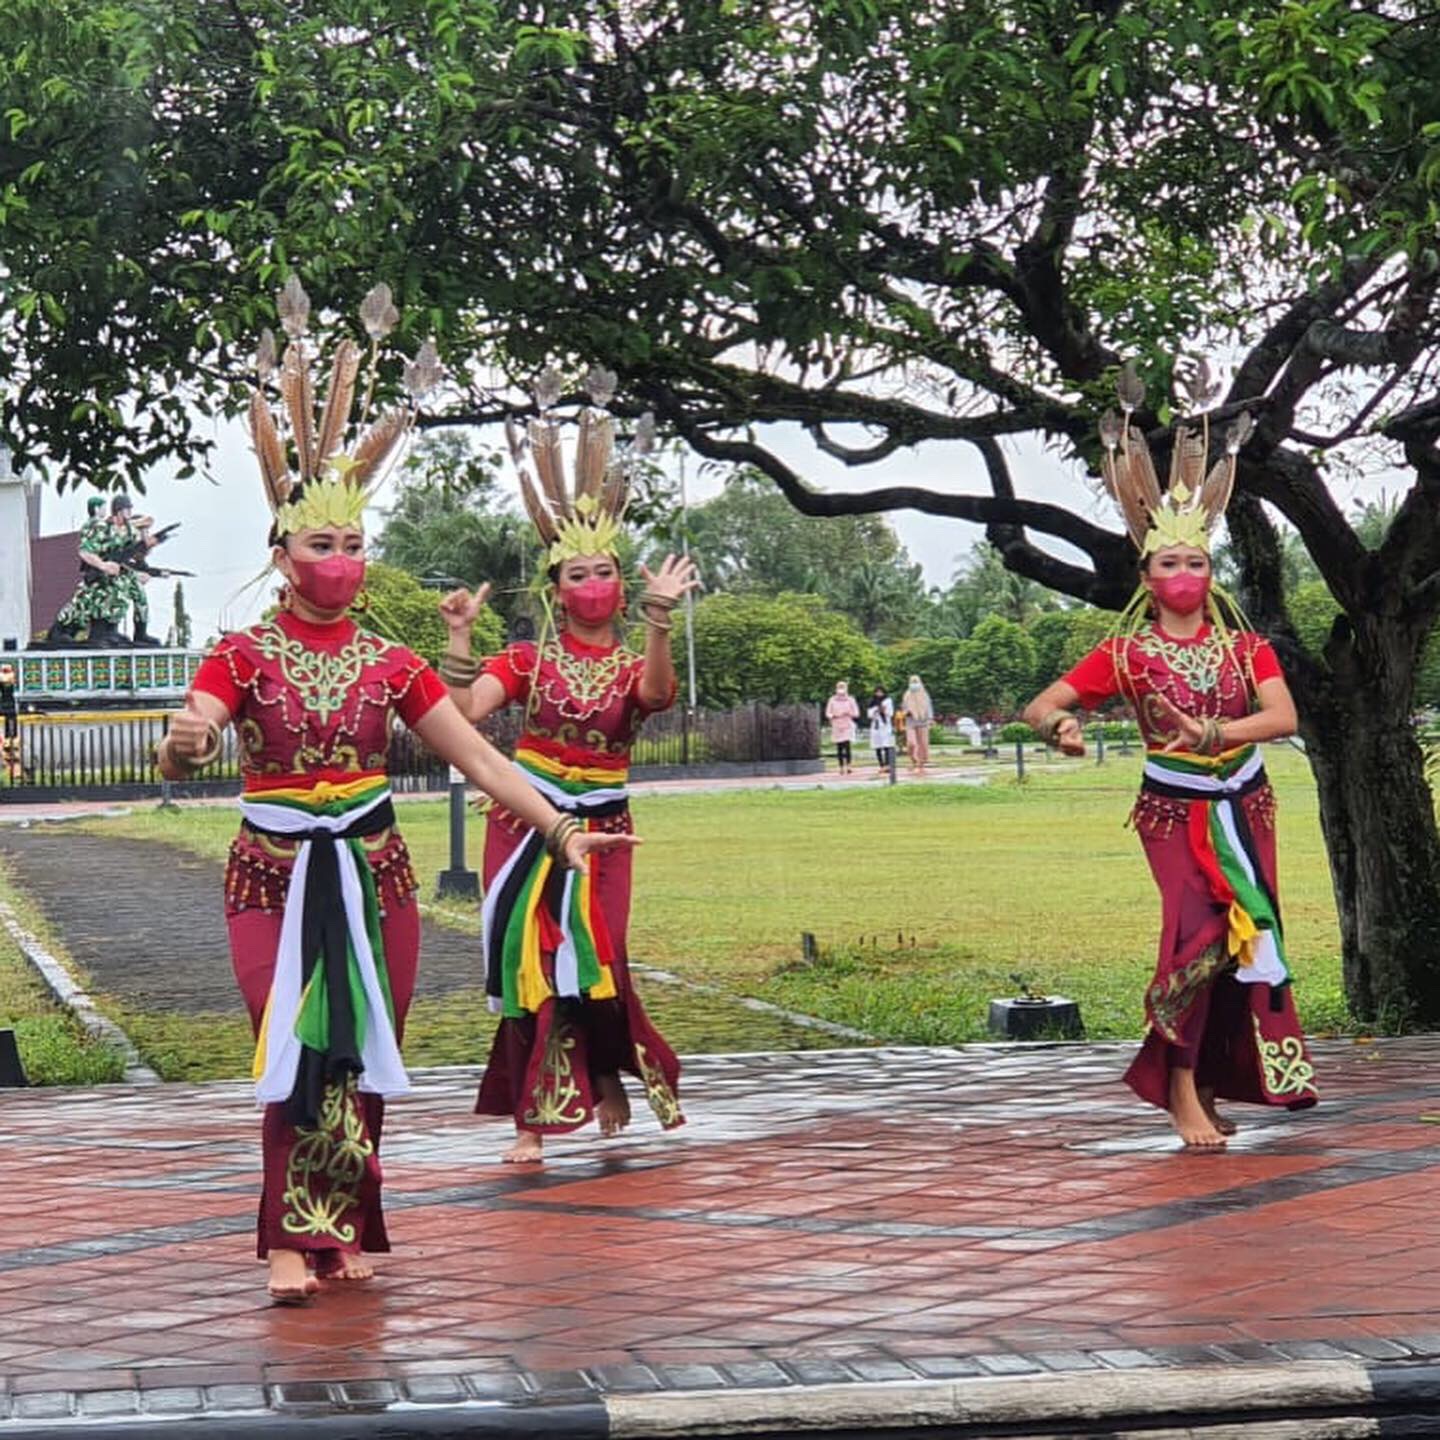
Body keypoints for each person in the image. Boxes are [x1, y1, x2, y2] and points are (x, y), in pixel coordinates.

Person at [157, 284, 635, 1306]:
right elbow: (190, 734)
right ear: (282, 553)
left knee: (364, 1054)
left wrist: (557, 829)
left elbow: (481, 758)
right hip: (271, 878)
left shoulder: (389, 660)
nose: (341, 561)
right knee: (294, 1043)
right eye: (321, 545)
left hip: (377, 878)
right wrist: (184, 741)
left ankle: (340, 1228)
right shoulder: (243, 654)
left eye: (354, 545)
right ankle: (293, 1240)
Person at [1023, 380, 1316, 1151]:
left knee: (1245, 940)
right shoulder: (1124, 652)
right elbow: (1044, 704)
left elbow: (1282, 717)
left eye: (1196, 559)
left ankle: (1216, 1081)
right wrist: (1061, 731)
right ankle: (1179, 1088)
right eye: (1170, 561)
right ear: (1146, 574)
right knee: (1194, 938)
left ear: (1209, 571)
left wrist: (1216, 728)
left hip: (1246, 805)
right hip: (1173, 812)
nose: (1184, 572)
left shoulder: (1242, 647)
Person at [439, 373, 699, 1164]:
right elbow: (463, 715)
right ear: (555, 589)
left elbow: (656, 695)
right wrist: (456, 636)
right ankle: (532, 1121)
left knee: (598, 961)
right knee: (528, 963)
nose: (593, 584)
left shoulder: (628, 663)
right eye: (576, 574)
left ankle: (610, 1075)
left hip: (606, 830)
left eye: (605, 572)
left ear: (622, 585)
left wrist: (659, 618)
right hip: (524, 827)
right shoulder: (525, 658)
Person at [46, 496, 128, 647]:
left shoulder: (104, 526)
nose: (106, 510)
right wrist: (103, 565)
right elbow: (85, 551)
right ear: (96, 509)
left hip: (103, 575)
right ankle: (61, 632)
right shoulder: (95, 525)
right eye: (103, 507)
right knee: (82, 604)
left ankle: (103, 632)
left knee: (105, 600)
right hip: (95, 573)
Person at [824, 681, 860, 775]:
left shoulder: (850, 699)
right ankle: (841, 767)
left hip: (847, 724)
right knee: (839, 747)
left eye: (843, 687)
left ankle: (849, 765)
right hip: (837, 725)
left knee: (847, 745)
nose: (841, 689)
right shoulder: (832, 699)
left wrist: (849, 713)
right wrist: (833, 715)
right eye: (839, 687)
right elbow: (828, 713)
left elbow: (856, 713)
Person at [901, 675, 934, 774]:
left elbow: (929, 707)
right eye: (912, 682)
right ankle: (913, 759)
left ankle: (920, 764)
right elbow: (904, 708)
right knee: (911, 743)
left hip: (923, 721)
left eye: (916, 682)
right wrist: (906, 712)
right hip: (911, 721)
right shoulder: (907, 695)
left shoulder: (924, 694)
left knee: (923, 743)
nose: (914, 684)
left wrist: (930, 719)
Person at [867, 684, 895, 775]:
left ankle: (887, 765)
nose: (879, 694)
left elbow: (890, 713)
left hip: (885, 725)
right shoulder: (872, 702)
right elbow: (869, 715)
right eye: (877, 692)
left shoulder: (888, 701)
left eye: (881, 692)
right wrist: (875, 710)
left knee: (886, 745)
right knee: (877, 746)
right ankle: (881, 765)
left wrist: (883, 710)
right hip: (876, 726)